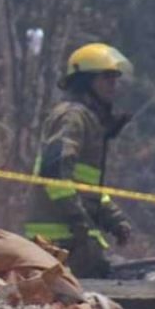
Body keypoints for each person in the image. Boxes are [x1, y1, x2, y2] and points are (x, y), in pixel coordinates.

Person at [24, 43, 134, 278]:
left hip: (73, 240)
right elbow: (54, 174)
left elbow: (86, 188)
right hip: (58, 243)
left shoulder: (88, 119)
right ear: (85, 81)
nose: (113, 85)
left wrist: (113, 218)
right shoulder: (72, 117)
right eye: (106, 78)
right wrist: (79, 219)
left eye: (115, 78)